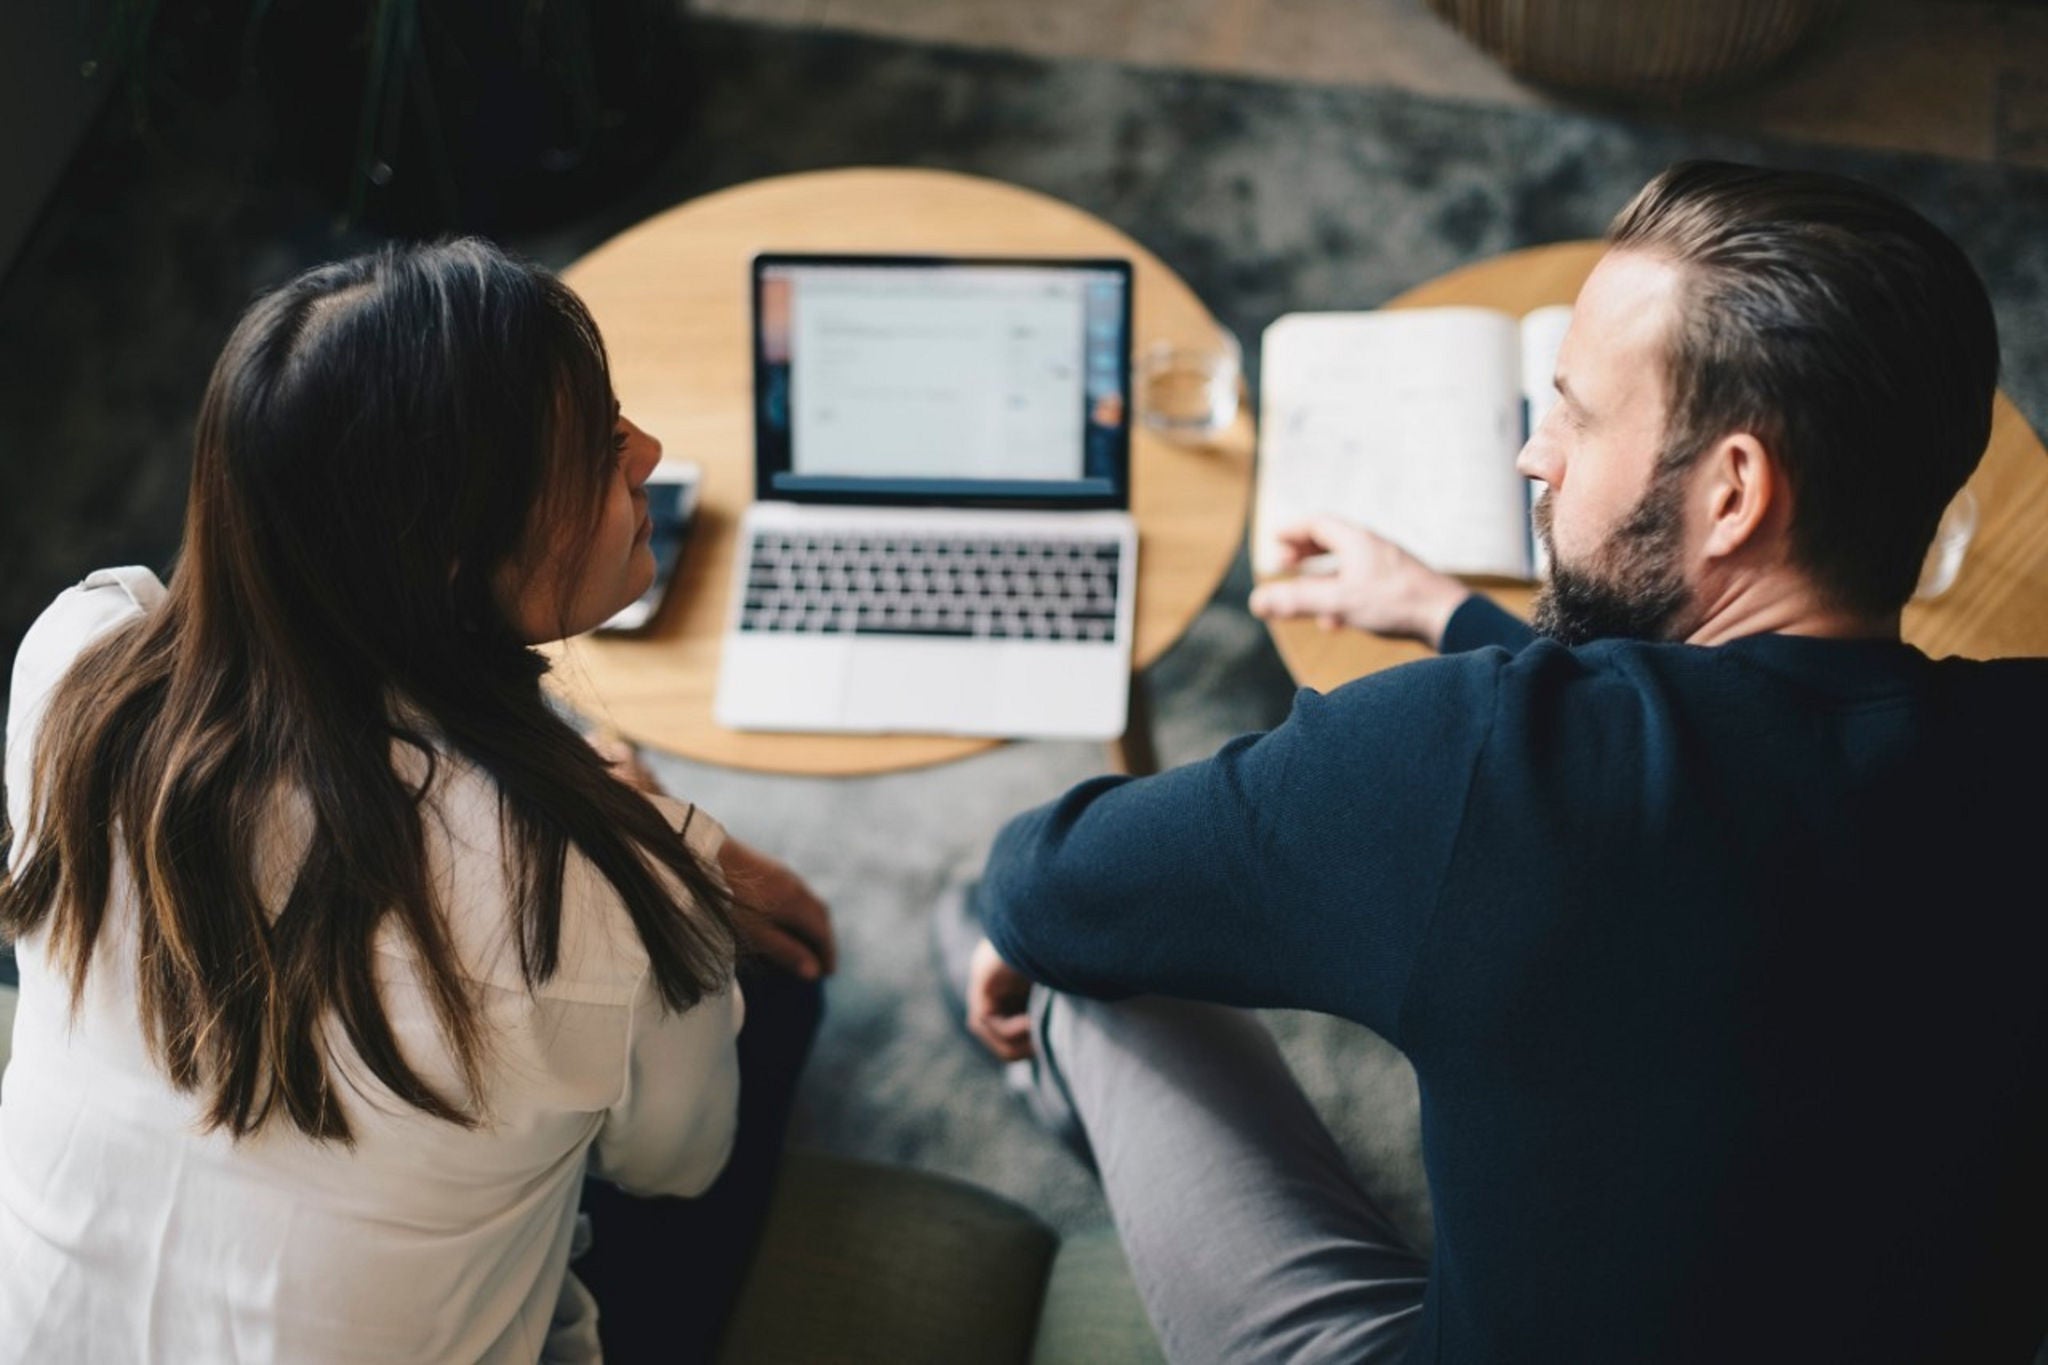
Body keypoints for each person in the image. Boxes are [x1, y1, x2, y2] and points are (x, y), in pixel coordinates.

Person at [939, 161, 2048, 1363]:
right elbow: (1729, 751)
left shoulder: (1460, 764)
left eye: (1573, 411)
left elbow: (1057, 881)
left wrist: (1014, 925)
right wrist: (1450, 614)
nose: (1534, 454)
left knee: (1045, 958)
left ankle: (1032, 1052)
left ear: (1731, 493)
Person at [0, 239, 836, 1363]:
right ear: (446, 561)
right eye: (597, 449)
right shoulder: (605, 897)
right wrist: (652, 856)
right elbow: (677, 1166)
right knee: (775, 983)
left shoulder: (75, 666)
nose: (648, 453)